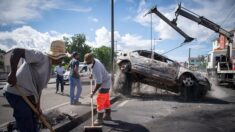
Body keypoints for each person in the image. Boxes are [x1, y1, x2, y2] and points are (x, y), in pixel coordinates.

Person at [4, 40, 68, 132]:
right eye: (61, 57)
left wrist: (38, 107)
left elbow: (39, 89)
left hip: (29, 95)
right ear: (56, 55)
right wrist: (12, 73)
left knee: (34, 121)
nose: (62, 60)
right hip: (16, 92)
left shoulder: (49, 69)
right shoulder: (40, 56)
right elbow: (17, 51)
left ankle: (15, 126)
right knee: (26, 123)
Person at [84, 53, 112, 126]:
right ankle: (108, 115)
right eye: (87, 63)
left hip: (104, 84)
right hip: (107, 81)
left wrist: (93, 92)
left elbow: (99, 82)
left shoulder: (96, 68)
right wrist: (92, 75)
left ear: (92, 60)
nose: (88, 64)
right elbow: (92, 68)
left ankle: (100, 119)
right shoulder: (95, 61)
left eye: (89, 63)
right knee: (106, 100)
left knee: (100, 100)